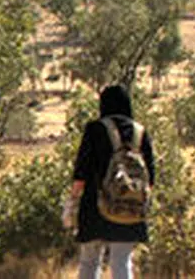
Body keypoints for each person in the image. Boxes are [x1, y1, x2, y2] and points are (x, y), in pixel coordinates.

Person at [63, 85, 155, 279]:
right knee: (121, 262)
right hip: (130, 207)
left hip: (95, 208)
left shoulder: (95, 129)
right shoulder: (140, 132)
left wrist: (71, 203)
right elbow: (150, 179)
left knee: (89, 262)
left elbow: (81, 173)